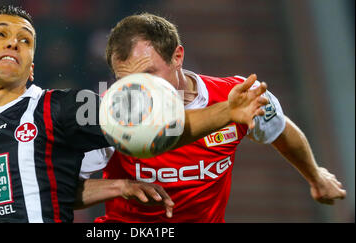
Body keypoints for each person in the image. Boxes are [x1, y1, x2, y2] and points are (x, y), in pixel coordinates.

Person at [0, 6, 269, 223]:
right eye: (1, 34)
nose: (12, 42)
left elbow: (153, 122)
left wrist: (225, 111)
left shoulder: (60, 107)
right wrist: (118, 185)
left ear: (32, 66)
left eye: (25, 40)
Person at [78, 13, 347, 223]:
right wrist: (118, 186)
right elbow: (58, 190)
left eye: (149, 74)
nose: (140, 90)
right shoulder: (107, 114)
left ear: (177, 57)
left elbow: (279, 130)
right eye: (127, 81)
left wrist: (315, 176)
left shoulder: (236, 95)